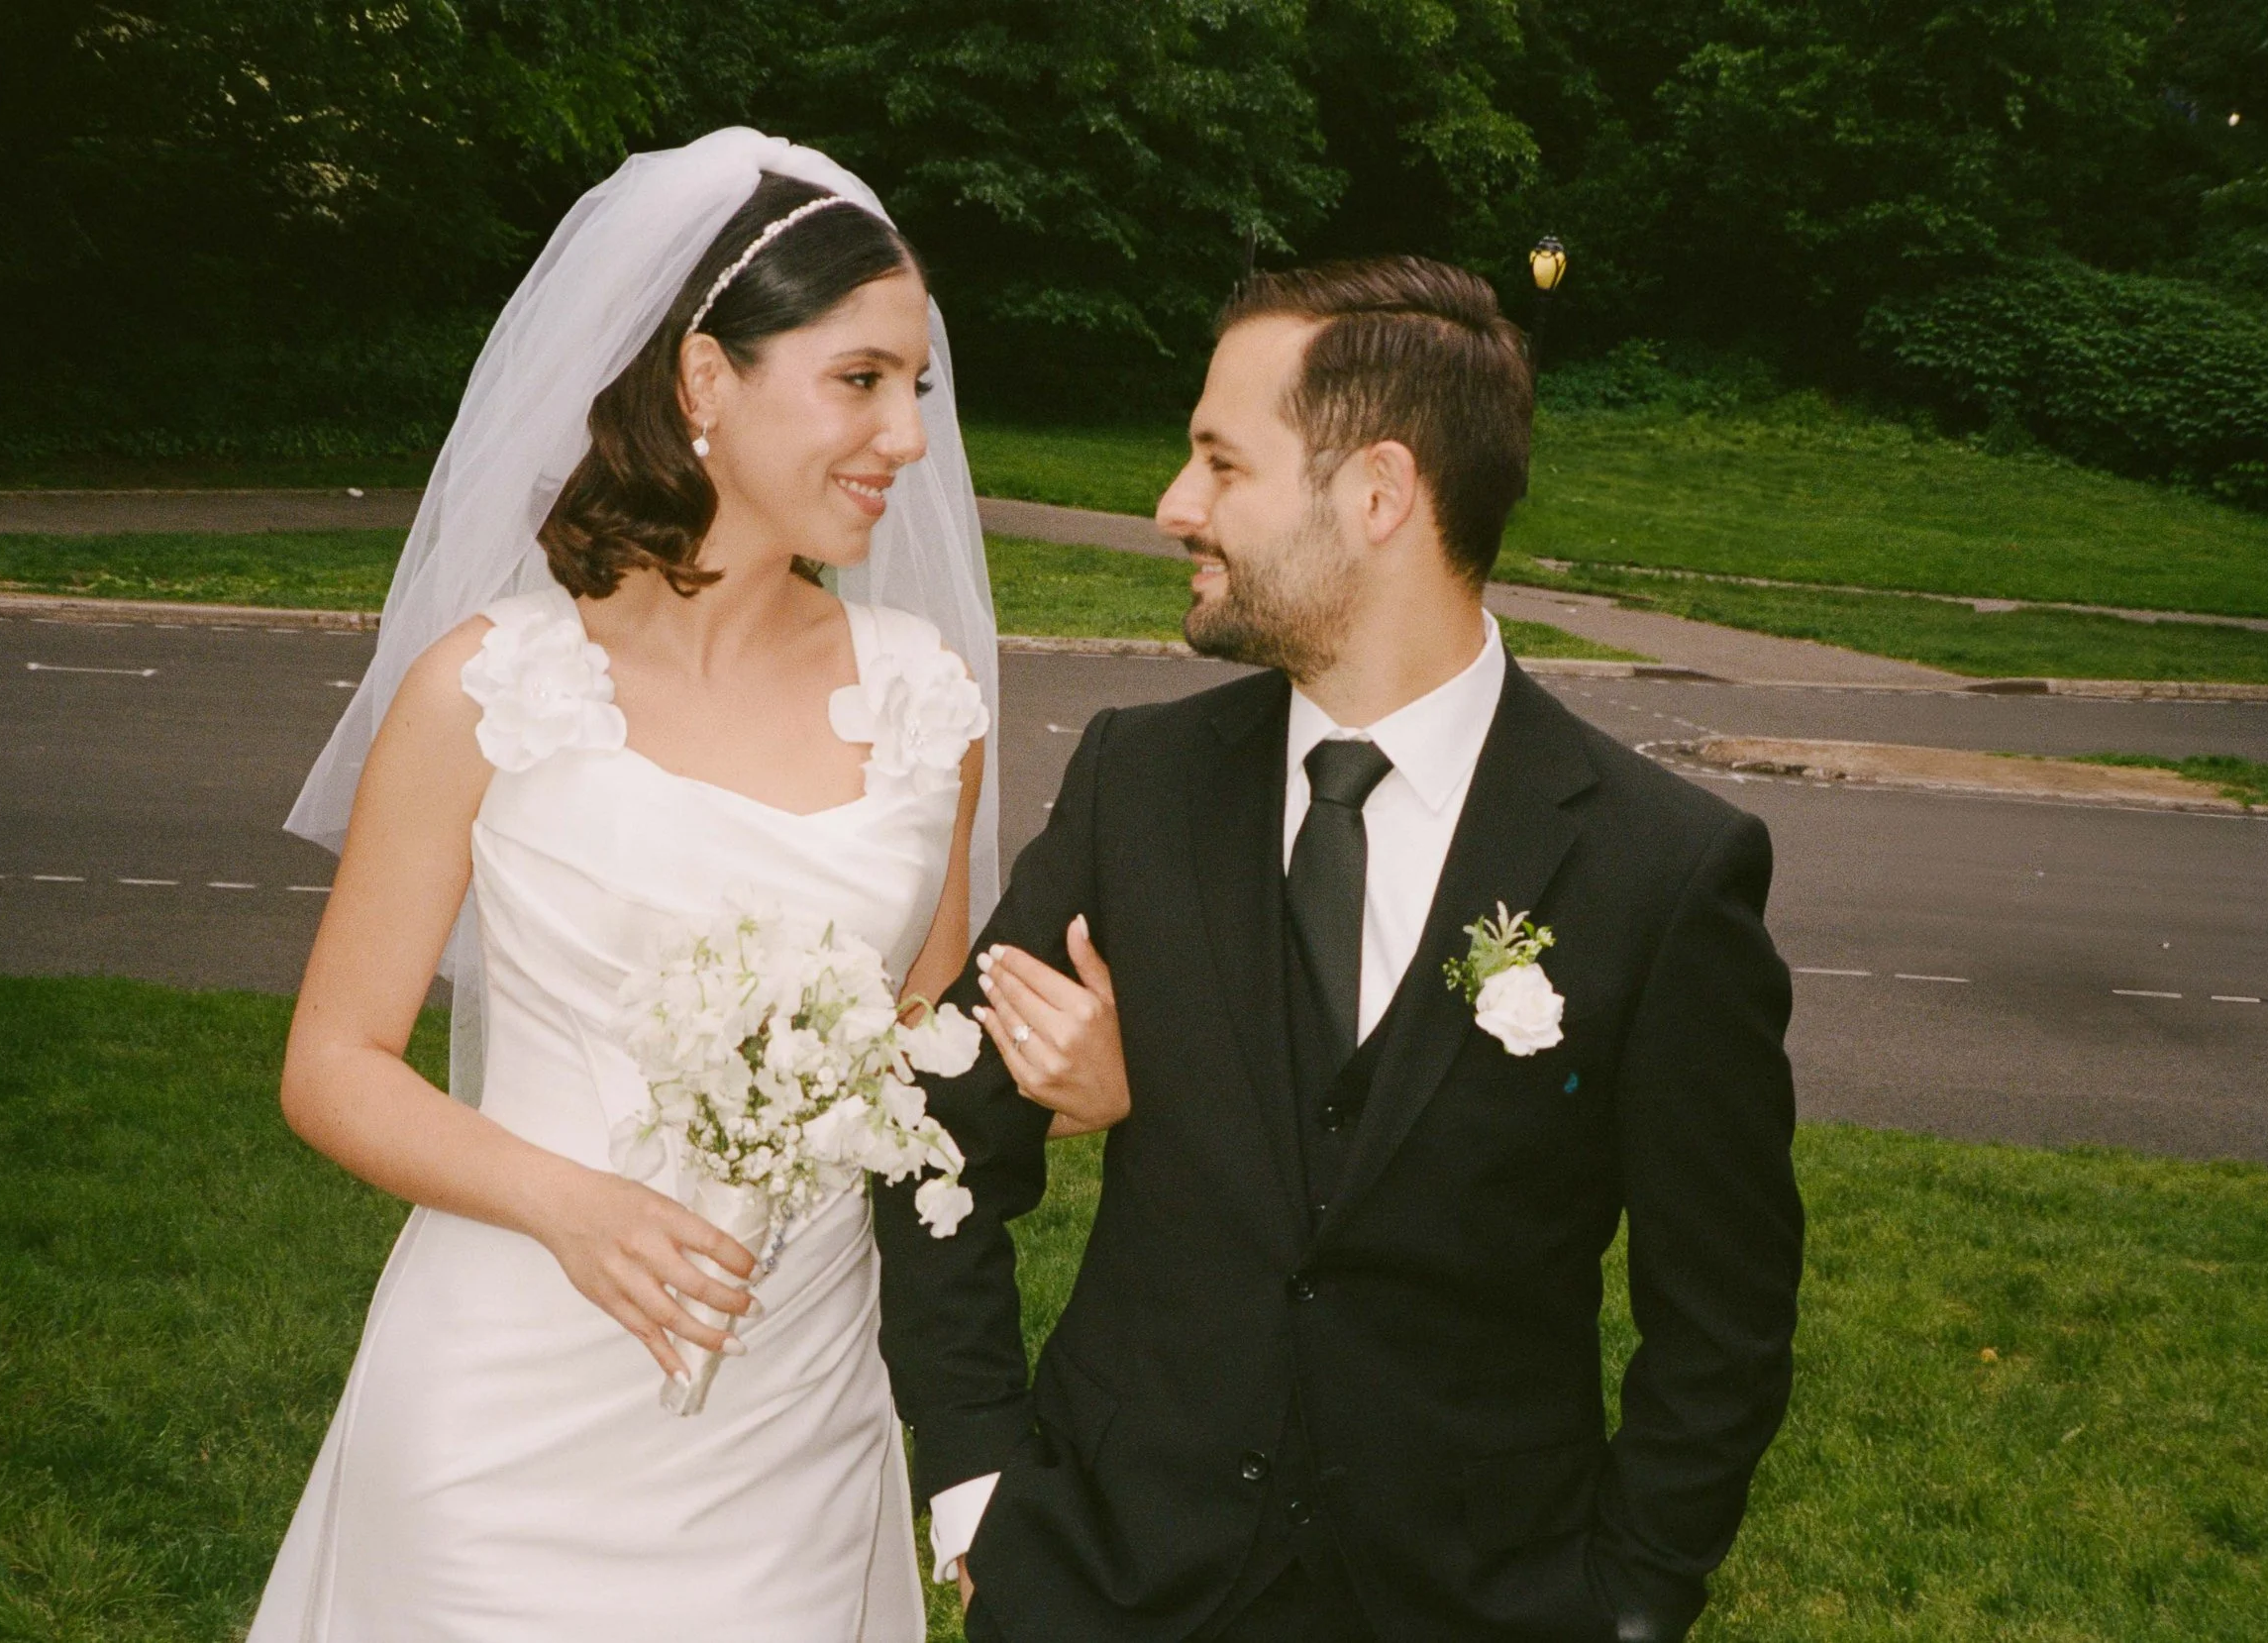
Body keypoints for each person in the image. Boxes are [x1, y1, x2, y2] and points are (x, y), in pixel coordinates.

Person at [876, 257, 1804, 1642]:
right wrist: (977, 1485)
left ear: (1378, 495)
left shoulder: (1659, 869)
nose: (1172, 506)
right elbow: (942, 1129)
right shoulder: (1142, 786)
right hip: (1110, 1583)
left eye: (1218, 462)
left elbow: (1721, 1324)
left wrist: (1627, 1605)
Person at [253, 130, 1055, 1641]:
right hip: (506, 1408)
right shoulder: (491, 687)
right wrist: (574, 1206)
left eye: (919, 389)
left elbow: (927, 1047)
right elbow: (332, 1063)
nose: (906, 438)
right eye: (861, 379)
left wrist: (1085, 1075)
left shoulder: (923, 702)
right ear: (704, 380)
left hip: (795, 1425)